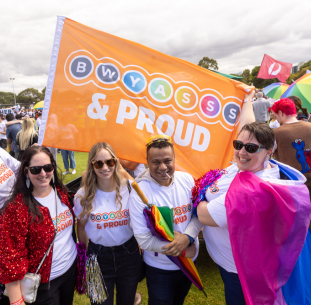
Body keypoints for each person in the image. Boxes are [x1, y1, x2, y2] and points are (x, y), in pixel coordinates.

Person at [196, 121, 311, 305]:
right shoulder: (262, 166)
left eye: (250, 147)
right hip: (238, 264)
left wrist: (199, 195)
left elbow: (204, 216)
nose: (242, 152)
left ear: (269, 151)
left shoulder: (249, 193)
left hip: (238, 271)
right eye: (238, 145)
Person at [0, 146, 77, 305]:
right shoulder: (16, 208)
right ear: (26, 171)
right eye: (36, 169)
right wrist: (16, 301)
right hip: (43, 285)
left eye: (47, 167)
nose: (43, 174)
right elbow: (10, 258)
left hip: (69, 271)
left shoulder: (60, 192)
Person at [74, 142, 141, 305]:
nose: (105, 167)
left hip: (129, 254)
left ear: (116, 162)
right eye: (98, 163)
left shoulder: (130, 187)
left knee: (127, 301)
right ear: (92, 165)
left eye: (109, 162)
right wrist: (86, 255)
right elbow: (81, 228)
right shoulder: (82, 196)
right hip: (97, 257)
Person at [272, 98, 311, 198]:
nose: (276, 118)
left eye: (275, 115)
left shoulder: (276, 133)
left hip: (292, 183)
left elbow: (268, 153)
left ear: (280, 113)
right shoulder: (309, 126)